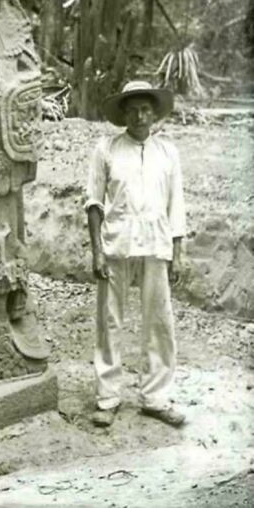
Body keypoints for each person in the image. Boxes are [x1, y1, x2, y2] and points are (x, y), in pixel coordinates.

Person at [85, 80, 186, 428]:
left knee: (158, 321)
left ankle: (155, 397)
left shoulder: (167, 153)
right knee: (110, 321)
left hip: (156, 244)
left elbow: (176, 205)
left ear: (154, 113)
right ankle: (108, 397)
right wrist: (97, 251)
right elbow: (94, 203)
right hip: (117, 243)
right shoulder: (107, 149)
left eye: (145, 109)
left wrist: (177, 251)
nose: (140, 116)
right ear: (123, 114)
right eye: (133, 110)